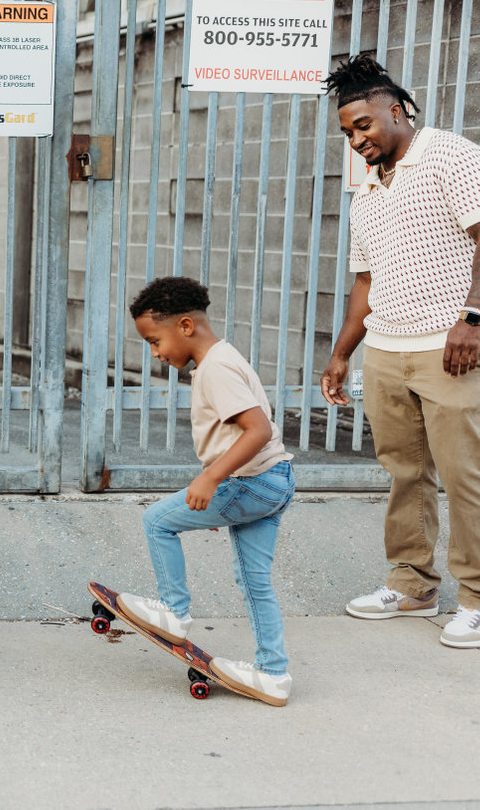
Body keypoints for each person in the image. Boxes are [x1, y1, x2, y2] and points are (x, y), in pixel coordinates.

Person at [320, 54, 480, 648]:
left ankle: (478, 596)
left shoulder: (449, 154)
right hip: (386, 350)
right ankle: (412, 584)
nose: (356, 139)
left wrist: (473, 319)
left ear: (398, 110)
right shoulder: (367, 189)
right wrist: (342, 354)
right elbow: (365, 281)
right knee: (406, 474)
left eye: (363, 125)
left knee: (466, 477)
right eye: (347, 132)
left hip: (450, 347)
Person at [119, 277, 296, 706]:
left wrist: (212, 479)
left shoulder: (216, 367)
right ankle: (273, 674)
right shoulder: (222, 359)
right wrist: (222, 502)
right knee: (255, 581)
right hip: (273, 480)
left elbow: (258, 430)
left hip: (249, 481)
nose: (156, 353)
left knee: (156, 520)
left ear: (184, 326)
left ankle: (173, 612)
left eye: (154, 340)